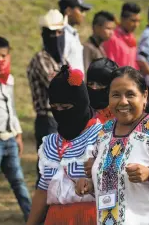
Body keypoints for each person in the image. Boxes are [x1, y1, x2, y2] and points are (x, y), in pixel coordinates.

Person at [76, 66, 149, 225]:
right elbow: (108, 176)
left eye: (130, 94)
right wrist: (88, 184)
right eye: (115, 95)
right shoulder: (105, 131)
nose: (122, 101)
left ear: (144, 96)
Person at [26, 65, 102, 225]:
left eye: (66, 107)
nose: (60, 112)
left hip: (92, 217)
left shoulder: (102, 137)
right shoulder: (51, 143)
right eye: (54, 108)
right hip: (55, 219)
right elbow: (42, 190)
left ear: (81, 103)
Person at [0, 37, 32, 224]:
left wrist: (18, 134)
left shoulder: (8, 78)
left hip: (9, 138)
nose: (0, 59)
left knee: (18, 181)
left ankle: (31, 217)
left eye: (3, 55)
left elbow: (11, 108)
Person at [27, 9, 67, 184]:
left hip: (62, 119)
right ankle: (40, 211)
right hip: (48, 119)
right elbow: (58, 86)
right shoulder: (40, 59)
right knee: (47, 168)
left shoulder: (61, 60)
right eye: (52, 33)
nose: (56, 37)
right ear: (44, 35)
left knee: (62, 166)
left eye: (59, 32)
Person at [103, 2, 141, 69]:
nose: (136, 25)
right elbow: (110, 66)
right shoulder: (112, 38)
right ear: (123, 19)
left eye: (138, 21)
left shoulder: (131, 38)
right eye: (133, 21)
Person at [59, 0, 91, 73]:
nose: (84, 15)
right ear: (69, 11)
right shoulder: (62, 34)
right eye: (81, 11)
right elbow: (60, 65)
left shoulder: (72, 34)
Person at [86, 58, 118, 123]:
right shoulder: (81, 110)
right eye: (90, 83)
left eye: (100, 84)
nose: (94, 88)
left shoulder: (121, 114)